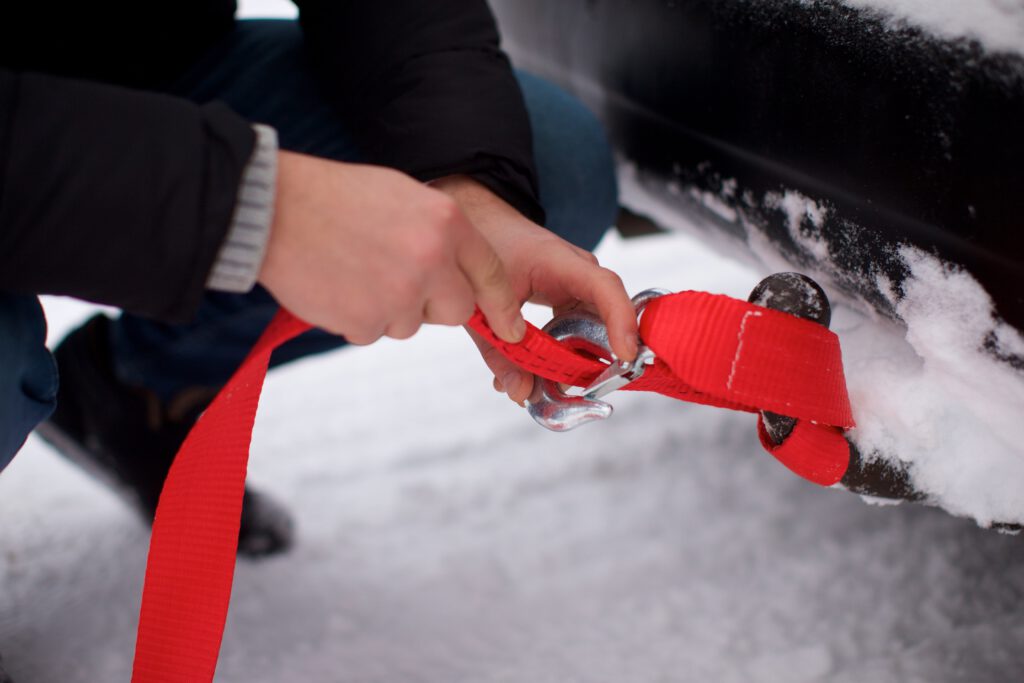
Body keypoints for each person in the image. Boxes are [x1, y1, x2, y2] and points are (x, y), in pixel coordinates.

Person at [0, 2, 636, 677]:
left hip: (137, 65)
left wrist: (469, 183)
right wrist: (257, 209)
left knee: (547, 162)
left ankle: (132, 386)